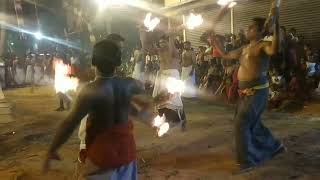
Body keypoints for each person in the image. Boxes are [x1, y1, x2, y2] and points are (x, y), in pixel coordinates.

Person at [43, 39, 167, 179]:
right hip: (126, 153)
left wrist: (52, 149)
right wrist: (158, 101)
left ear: (93, 62)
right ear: (118, 63)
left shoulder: (90, 91)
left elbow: (69, 124)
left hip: (102, 156)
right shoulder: (129, 84)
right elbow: (143, 104)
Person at [213, 5, 284, 170]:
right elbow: (225, 55)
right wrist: (215, 41)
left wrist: (276, 22)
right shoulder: (244, 48)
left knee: (241, 123)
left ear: (260, 32)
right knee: (253, 123)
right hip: (244, 93)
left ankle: (246, 162)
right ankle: (274, 146)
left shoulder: (262, 45)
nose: (248, 29)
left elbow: (275, 49)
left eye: (251, 27)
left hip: (257, 92)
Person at [140, 25, 187, 131]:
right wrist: (143, 33)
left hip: (172, 76)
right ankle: (162, 120)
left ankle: (183, 120)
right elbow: (147, 47)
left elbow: (171, 46)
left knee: (175, 100)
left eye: (163, 42)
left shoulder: (174, 51)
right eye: (160, 43)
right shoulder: (159, 52)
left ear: (167, 42)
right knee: (159, 99)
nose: (162, 44)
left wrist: (171, 35)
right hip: (161, 76)